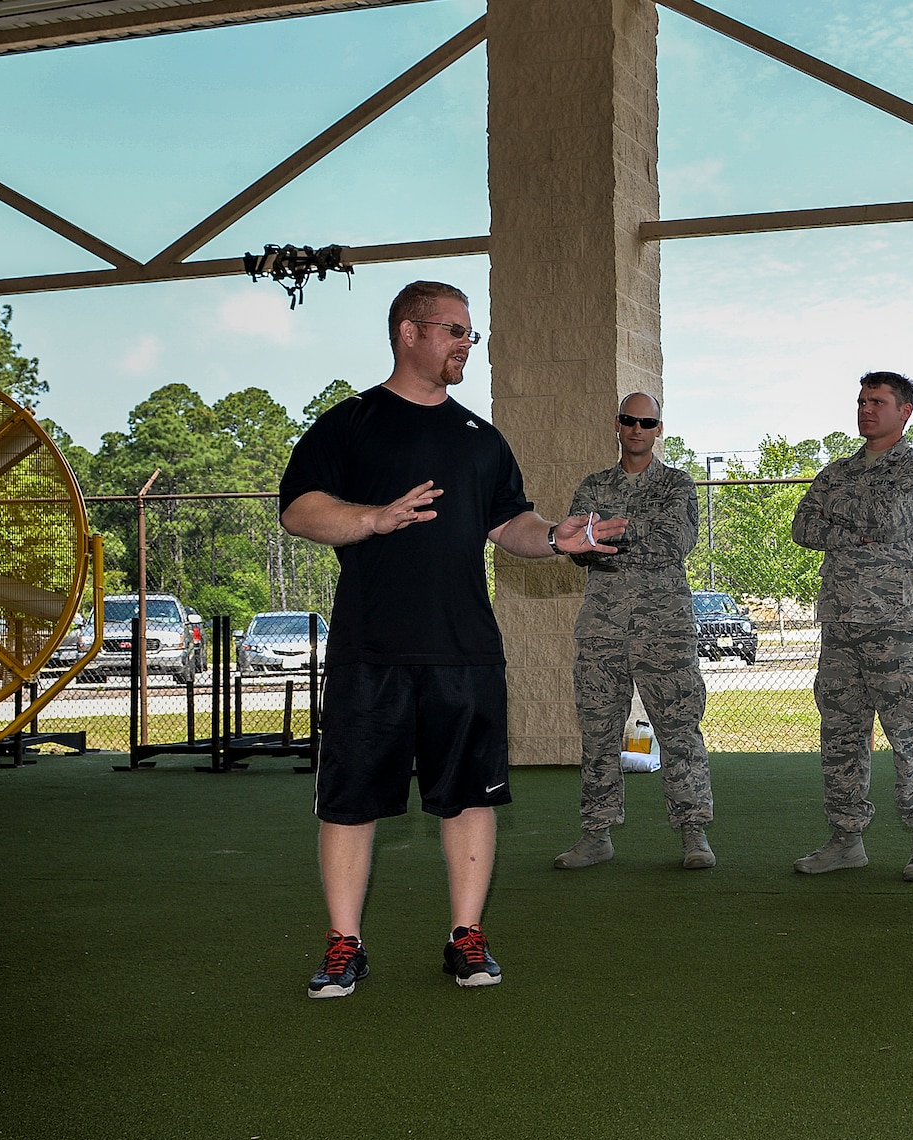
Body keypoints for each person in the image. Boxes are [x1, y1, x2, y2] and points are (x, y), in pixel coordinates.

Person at [281, 280, 627, 999]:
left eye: (472, 333)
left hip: (465, 648)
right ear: (409, 333)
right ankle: (344, 943)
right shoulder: (348, 424)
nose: (467, 343)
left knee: (471, 796)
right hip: (368, 648)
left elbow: (511, 525)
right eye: (454, 330)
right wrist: (373, 518)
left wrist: (558, 539)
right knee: (349, 800)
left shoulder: (480, 438)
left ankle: (466, 938)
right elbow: (300, 510)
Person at [790, 372, 913, 880]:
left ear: (904, 411)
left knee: (910, 734)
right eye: (861, 400)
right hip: (839, 627)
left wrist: (841, 521)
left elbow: (894, 519)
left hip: (894, 627)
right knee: (840, 735)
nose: (865, 409)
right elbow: (802, 527)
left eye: (877, 401)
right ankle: (845, 839)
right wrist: (855, 527)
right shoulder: (837, 470)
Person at [556, 391, 717, 872]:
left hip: (662, 629)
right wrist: (611, 537)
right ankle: (596, 835)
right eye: (629, 421)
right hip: (602, 629)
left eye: (647, 423)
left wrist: (611, 535)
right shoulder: (592, 485)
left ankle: (694, 834)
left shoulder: (676, 485)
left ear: (658, 429)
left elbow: (676, 543)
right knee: (598, 733)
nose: (637, 430)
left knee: (679, 730)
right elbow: (577, 547)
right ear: (618, 424)